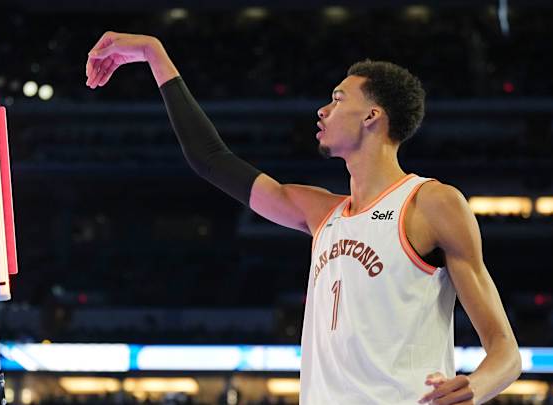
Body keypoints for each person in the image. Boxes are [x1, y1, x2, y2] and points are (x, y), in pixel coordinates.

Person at [85, 32, 521, 405]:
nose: (322, 110)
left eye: (337, 99)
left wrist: (475, 387)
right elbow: (210, 159)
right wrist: (155, 54)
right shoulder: (321, 212)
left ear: (372, 116)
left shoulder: (431, 202)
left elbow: (505, 351)